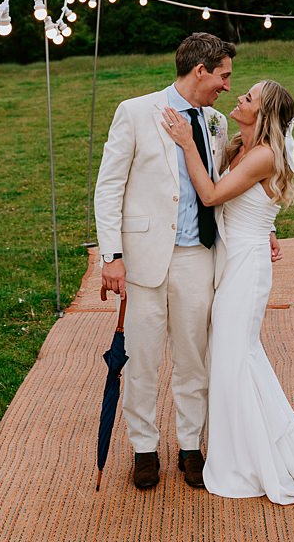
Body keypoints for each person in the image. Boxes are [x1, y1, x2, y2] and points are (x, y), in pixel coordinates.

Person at [159, 79, 294, 504]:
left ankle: (243, 462)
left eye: (249, 97)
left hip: (245, 269)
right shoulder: (241, 147)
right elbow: (253, 203)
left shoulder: (262, 154)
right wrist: (271, 226)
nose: (239, 98)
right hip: (233, 259)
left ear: (262, 115)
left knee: (231, 358)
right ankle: (251, 445)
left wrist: (187, 143)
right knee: (237, 357)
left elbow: (210, 195)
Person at [94, 32, 247, 490]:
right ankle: (143, 449)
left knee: (193, 358)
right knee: (141, 359)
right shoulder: (136, 112)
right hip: (142, 259)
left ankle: (189, 447)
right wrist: (112, 257)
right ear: (200, 70)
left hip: (198, 256)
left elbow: (219, 185)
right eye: (222, 76)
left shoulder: (217, 123)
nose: (225, 86)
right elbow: (109, 188)